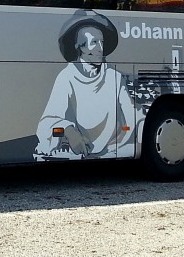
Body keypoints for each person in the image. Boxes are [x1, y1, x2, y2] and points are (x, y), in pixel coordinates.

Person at [35, 10, 140, 158]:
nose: (100, 49)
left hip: (112, 149)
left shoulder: (114, 77)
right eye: (94, 43)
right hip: (77, 152)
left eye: (101, 42)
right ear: (79, 47)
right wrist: (69, 132)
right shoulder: (67, 77)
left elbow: (130, 119)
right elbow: (47, 122)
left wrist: (123, 134)